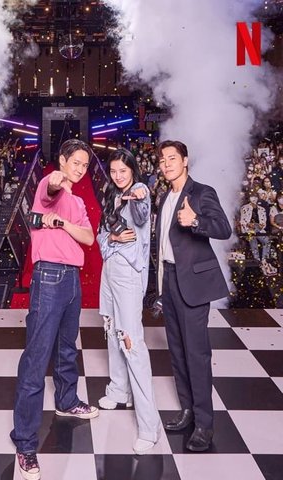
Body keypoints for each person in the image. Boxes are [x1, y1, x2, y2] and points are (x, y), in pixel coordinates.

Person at [10, 139, 98, 480]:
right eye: (75, 162)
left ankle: (66, 400)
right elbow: (50, 190)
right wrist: (55, 181)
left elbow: (88, 238)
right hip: (48, 276)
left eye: (84, 165)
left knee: (66, 347)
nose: (80, 169)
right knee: (36, 358)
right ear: (62, 160)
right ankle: (25, 442)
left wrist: (60, 224)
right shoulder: (49, 186)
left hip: (72, 279)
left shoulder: (77, 201)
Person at [156, 140, 232, 452]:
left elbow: (223, 228)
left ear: (185, 161)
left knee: (197, 355)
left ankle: (204, 424)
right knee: (177, 352)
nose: (166, 164)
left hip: (193, 284)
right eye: (162, 160)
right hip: (169, 279)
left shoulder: (201, 192)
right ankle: (187, 411)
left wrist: (196, 221)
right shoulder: (165, 197)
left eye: (172, 158)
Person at [97, 148, 161, 454]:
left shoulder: (139, 192)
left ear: (133, 170)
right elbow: (101, 235)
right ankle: (118, 389)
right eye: (113, 171)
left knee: (131, 342)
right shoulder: (111, 194)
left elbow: (141, 209)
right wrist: (112, 238)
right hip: (109, 271)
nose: (118, 176)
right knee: (111, 331)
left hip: (129, 275)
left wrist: (138, 193)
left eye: (123, 171)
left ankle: (149, 425)